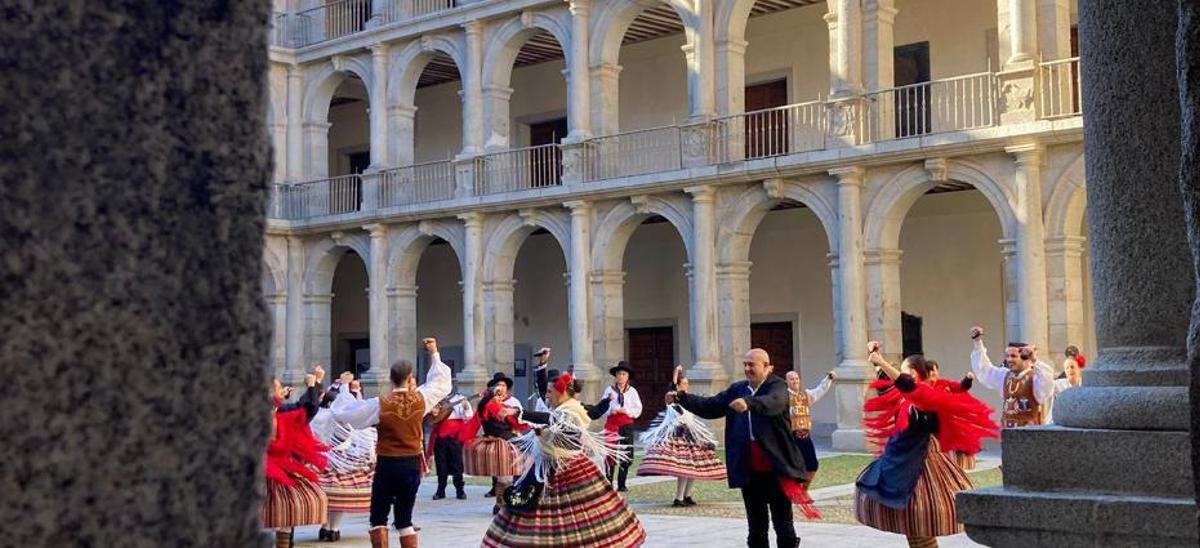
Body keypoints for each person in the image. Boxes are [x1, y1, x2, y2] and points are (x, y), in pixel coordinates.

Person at [666, 349, 819, 548]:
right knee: (756, 526)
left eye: (752, 365)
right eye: (745, 364)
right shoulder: (737, 389)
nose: (747, 368)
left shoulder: (778, 386)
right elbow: (711, 405)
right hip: (749, 470)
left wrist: (749, 403)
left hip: (777, 469)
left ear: (767, 367)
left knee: (783, 525)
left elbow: (774, 402)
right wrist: (681, 397)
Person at [857, 342, 999, 548]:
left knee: (918, 526)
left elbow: (905, 385)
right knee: (914, 530)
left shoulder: (926, 395)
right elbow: (892, 386)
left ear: (913, 374)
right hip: (902, 463)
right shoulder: (909, 395)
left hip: (919, 467)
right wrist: (876, 360)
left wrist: (881, 362)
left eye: (904, 372)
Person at [482, 373, 647, 547]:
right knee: (544, 510)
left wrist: (518, 412)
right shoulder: (563, 409)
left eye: (550, 391)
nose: (547, 395)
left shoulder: (572, 410)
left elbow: (553, 420)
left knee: (578, 513)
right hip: (549, 465)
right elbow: (552, 426)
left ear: (562, 393)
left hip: (569, 468)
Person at [331, 338, 452, 548]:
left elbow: (347, 413)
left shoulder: (381, 405)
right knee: (405, 520)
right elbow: (441, 384)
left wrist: (343, 387)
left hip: (387, 464)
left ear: (390, 379)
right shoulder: (421, 400)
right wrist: (434, 353)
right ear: (410, 378)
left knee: (378, 518)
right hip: (411, 464)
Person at [636, 365, 726, 507]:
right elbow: (672, 387)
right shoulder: (672, 398)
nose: (686, 386)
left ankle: (687, 495)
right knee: (683, 469)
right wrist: (676, 372)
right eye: (684, 384)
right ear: (678, 385)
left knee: (693, 468)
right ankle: (678, 498)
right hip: (678, 436)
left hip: (690, 436)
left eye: (687, 384)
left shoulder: (688, 399)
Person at [263, 367, 329, 548]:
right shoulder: (281, 416)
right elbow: (306, 411)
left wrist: (315, 384)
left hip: (264, 475)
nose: (281, 391)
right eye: (277, 389)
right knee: (285, 516)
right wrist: (312, 384)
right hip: (276, 475)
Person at [310, 371, 377, 542]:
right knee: (338, 498)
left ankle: (324, 527)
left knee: (327, 497)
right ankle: (334, 529)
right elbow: (363, 436)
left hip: (321, 461)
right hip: (343, 461)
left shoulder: (316, 417)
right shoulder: (339, 417)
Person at [458, 372, 527, 514]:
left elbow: (516, 420)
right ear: (492, 389)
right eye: (497, 386)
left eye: (503, 385)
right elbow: (506, 418)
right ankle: (503, 505)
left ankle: (502, 504)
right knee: (505, 475)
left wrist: (516, 412)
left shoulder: (502, 403)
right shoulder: (491, 405)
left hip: (508, 440)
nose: (500, 388)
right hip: (501, 442)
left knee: (507, 475)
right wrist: (514, 413)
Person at [968, 326, 1055, 427]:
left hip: (1031, 435)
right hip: (1008, 434)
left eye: (1013, 356)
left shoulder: (1035, 378)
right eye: (1007, 356)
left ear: (1025, 358)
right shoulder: (1004, 375)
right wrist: (978, 342)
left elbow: (1048, 381)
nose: (1009, 360)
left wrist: (1034, 359)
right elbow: (984, 369)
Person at [590, 361, 643, 492]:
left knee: (626, 454)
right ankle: (608, 483)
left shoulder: (632, 391)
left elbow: (638, 408)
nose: (620, 376)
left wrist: (627, 411)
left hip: (626, 424)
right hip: (612, 424)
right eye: (619, 374)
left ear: (628, 377)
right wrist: (610, 411)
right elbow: (602, 406)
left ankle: (622, 483)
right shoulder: (609, 390)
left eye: (623, 374)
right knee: (610, 454)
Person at [921, 362, 978, 469]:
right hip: (932, 429)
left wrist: (968, 379)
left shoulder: (944, 384)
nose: (932, 373)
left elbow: (961, 387)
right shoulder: (922, 387)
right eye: (929, 371)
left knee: (956, 455)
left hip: (949, 425)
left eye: (934, 370)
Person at [783, 369, 835, 482]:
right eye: (791, 379)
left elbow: (820, 390)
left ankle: (803, 491)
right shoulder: (783, 397)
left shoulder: (806, 395)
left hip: (805, 436)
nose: (795, 381)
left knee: (812, 466)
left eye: (796, 378)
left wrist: (828, 379)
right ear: (786, 381)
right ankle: (794, 492)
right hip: (791, 437)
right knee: (794, 467)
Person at [426, 391, 473, 501]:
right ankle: (440, 490)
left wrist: (466, 407)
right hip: (440, 437)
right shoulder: (434, 397)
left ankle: (460, 490)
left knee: (457, 464)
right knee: (441, 465)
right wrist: (432, 411)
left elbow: (468, 416)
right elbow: (430, 417)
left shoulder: (459, 397)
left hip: (454, 438)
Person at [1047, 355, 1083, 424]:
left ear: (1079, 369)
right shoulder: (1058, 384)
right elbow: (1047, 385)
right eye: (1067, 368)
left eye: (1072, 367)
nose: (1070, 370)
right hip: (1061, 419)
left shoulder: (1086, 384)